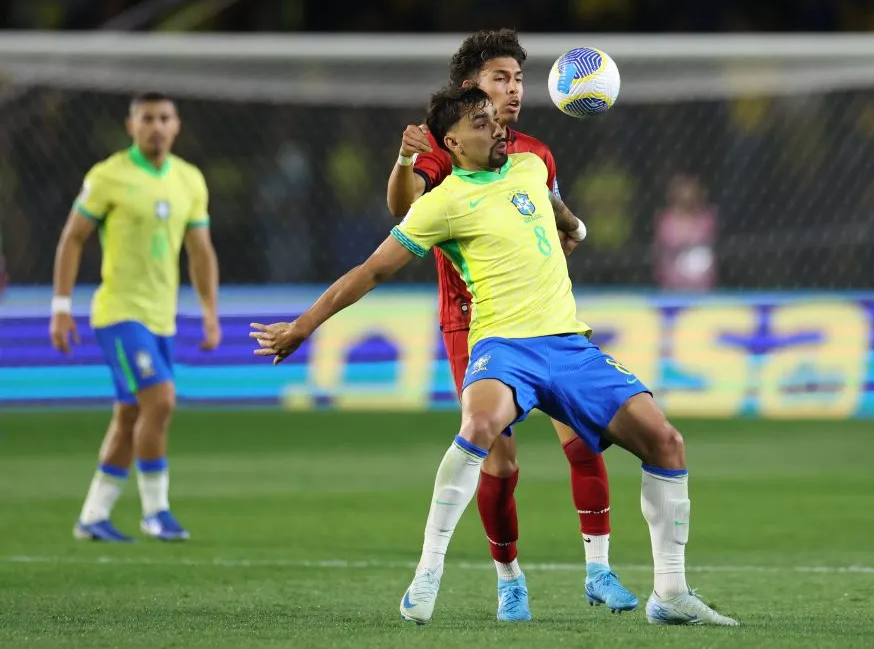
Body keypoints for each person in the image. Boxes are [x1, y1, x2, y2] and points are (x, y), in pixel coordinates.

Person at [250, 86, 739, 628]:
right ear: (453, 142)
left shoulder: (530, 166)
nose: (497, 127)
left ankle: (669, 594)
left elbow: (559, 213)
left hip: (569, 344)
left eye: (495, 119)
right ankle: (429, 570)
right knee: (481, 424)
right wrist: (301, 327)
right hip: (504, 347)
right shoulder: (442, 202)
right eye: (481, 123)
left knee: (667, 443)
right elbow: (371, 271)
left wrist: (573, 228)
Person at [385, 28, 635, 620]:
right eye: (501, 78)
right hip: (473, 325)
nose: (514, 90)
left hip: (545, 321)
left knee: (583, 440)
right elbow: (403, 207)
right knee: (500, 463)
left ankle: (599, 569)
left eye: (519, 79)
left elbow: (551, 219)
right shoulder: (444, 149)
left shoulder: (536, 153)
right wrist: (403, 159)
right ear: (472, 86)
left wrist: (570, 232)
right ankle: (509, 578)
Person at [50, 91, 221, 543]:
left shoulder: (189, 180)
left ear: (177, 124)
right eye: (147, 118)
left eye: (164, 117)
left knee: (130, 416)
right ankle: (155, 511)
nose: (156, 126)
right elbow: (72, 238)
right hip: (119, 313)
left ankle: (92, 517)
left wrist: (209, 312)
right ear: (131, 126)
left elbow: (199, 250)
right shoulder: (108, 176)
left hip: (162, 317)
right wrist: (61, 307)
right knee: (160, 400)